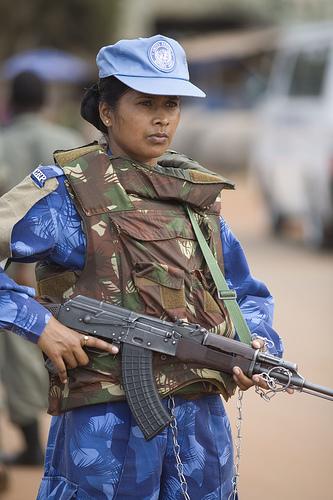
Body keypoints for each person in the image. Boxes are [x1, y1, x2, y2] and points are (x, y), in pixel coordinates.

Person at [0, 35, 283, 499]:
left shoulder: (194, 195)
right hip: (106, 427)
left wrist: (255, 343)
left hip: (200, 426)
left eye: (171, 103)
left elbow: (246, 292)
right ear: (106, 111)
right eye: (145, 102)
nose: (162, 118)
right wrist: (39, 324)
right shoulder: (66, 193)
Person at [0, 71, 84, 466]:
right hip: (71, 273)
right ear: (47, 101)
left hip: (16, 274)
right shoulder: (69, 141)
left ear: (12, 102)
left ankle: (33, 443)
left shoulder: (3, 144)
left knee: (19, 353)